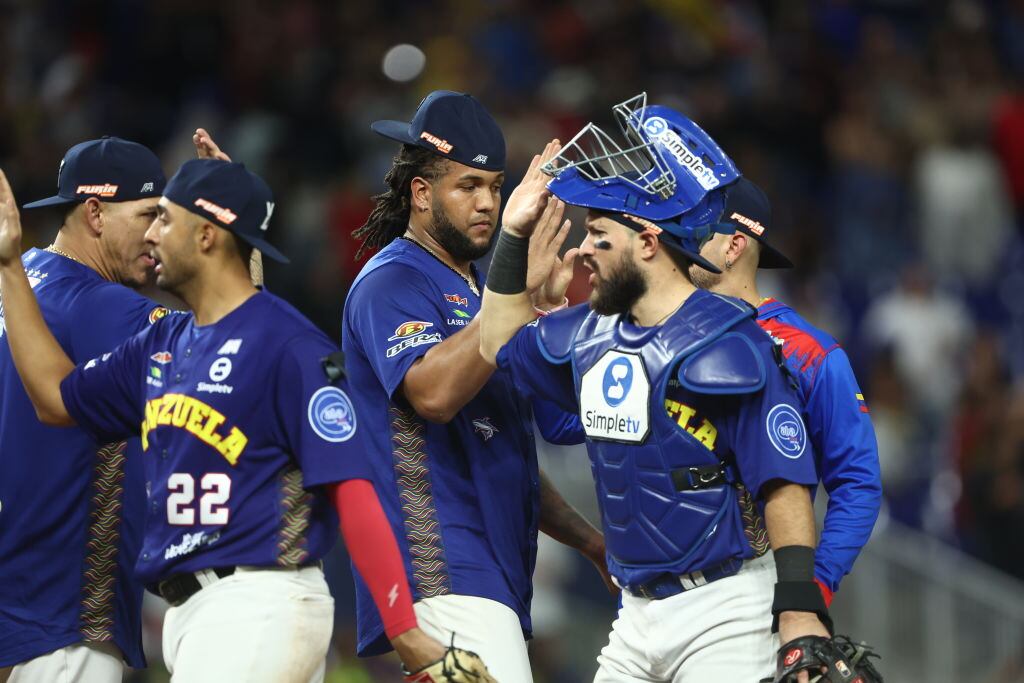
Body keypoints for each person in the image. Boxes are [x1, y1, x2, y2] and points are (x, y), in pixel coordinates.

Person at [0, 158, 450, 682]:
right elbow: (57, 399)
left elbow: (352, 490)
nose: (152, 235)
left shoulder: (292, 347)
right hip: (193, 613)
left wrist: (404, 629)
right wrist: (8, 263)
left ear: (207, 235)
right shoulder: (162, 342)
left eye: (165, 219)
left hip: (260, 600)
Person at [477, 95, 832, 681]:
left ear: (647, 242)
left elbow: (785, 484)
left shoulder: (728, 344)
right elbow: (497, 342)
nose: (584, 250)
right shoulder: (588, 333)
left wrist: (798, 610)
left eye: (600, 235)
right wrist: (513, 235)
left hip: (727, 609)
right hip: (635, 614)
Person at [344, 90, 608, 681]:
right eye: (467, 186)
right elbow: (433, 396)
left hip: (490, 575)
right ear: (421, 193)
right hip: (439, 570)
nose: (487, 202)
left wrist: (590, 542)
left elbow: (504, 446)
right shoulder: (392, 282)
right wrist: (513, 295)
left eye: (494, 186)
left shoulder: (474, 291)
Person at [0, 137, 170, 683]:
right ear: (95, 212)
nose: (158, 234)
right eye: (148, 214)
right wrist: (234, 239)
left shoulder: (18, 280)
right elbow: (237, 348)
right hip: (67, 617)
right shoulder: (104, 306)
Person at [689, 177, 883, 608]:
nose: (678, 241)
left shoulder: (810, 352)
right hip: (658, 590)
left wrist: (815, 585)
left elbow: (857, 482)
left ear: (733, 246)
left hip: (753, 585)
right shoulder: (659, 335)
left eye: (693, 231)